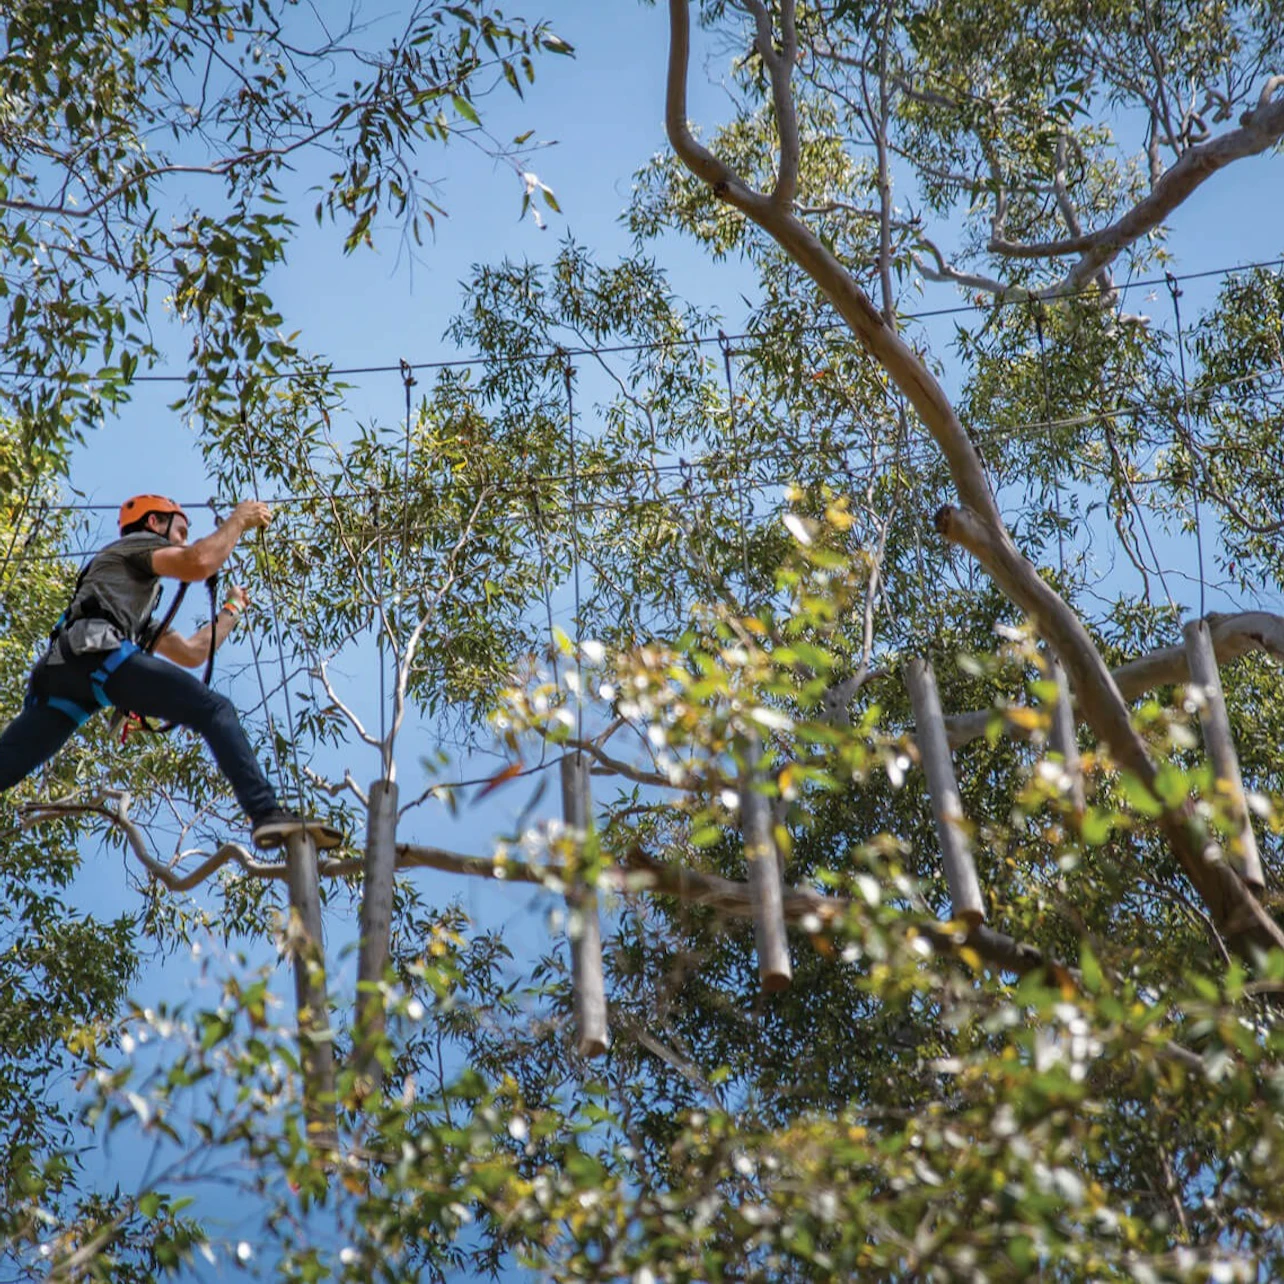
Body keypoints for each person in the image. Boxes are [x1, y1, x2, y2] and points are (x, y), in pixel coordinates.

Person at [0, 493, 342, 852]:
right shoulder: (136, 545)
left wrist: (232, 608)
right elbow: (198, 562)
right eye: (181, 530)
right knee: (214, 709)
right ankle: (266, 812)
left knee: (7, 766)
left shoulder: (129, 603)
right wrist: (239, 519)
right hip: (94, 653)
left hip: (66, 679)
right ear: (154, 523)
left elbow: (192, 652)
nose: (184, 539)